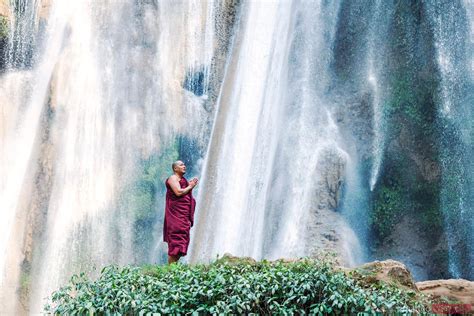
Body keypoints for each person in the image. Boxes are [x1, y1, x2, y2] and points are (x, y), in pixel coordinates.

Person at [163, 160, 198, 264]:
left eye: (184, 164)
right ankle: (170, 269)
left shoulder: (184, 180)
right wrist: (190, 186)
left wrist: (189, 186)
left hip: (183, 217)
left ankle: (172, 269)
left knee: (182, 241)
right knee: (176, 241)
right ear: (175, 168)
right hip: (175, 216)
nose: (184, 166)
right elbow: (178, 192)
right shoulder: (172, 178)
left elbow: (186, 195)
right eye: (181, 165)